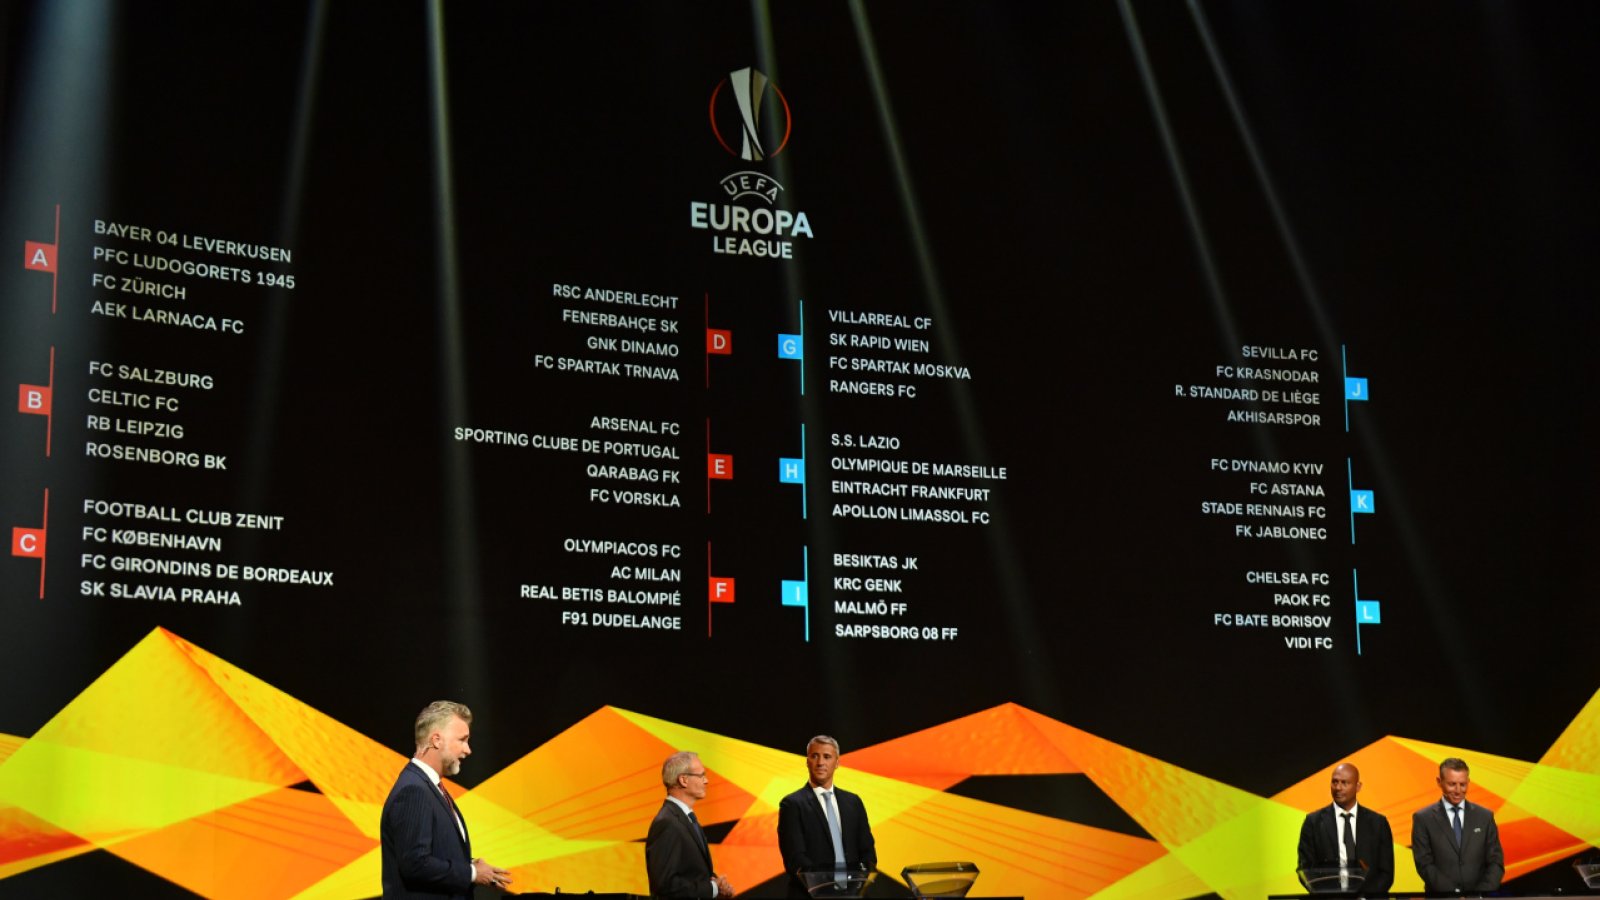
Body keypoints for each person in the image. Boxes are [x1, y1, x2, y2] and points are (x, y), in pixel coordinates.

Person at [380, 701, 512, 898]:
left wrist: (468, 865)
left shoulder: (428, 787)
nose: (468, 750)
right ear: (436, 740)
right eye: (462, 740)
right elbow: (415, 865)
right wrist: (472, 873)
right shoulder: (413, 790)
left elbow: (433, 854)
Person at [777, 735, 877, 898]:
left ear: (837, 763)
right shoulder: (792, 804)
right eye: (814, 756)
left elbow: (867, 852)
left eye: (827, 757)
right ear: (807, 761)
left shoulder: (853, 802)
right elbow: (795, 858)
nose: (820, 762)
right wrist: (827, 887)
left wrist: (855, 886)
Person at [646, 751, 736, 898]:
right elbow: (665, 885)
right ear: (684, 780)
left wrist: (716, 884)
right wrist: (712, 888)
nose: (706, 781)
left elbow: (692, 873)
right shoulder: (667, 823)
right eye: (701, 775)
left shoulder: (686, 819)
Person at [1295, 762, 1394, 894]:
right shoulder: (1313, 822)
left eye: (1344, 783)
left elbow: (1386, 873)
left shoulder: (1378, 823)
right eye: (1334, 782)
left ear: (1358, 787)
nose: (1338, 788)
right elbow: (1305, 868)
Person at [1411, 757, 1504, 894]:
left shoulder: (1485, 816)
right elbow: (1424, 864)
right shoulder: (1423, 819)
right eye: (1452, 784)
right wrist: (1454, 894)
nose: (1458, 790)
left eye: (1463, 784)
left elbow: (1496, 862)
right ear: (1439, 782)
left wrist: (1477, 895)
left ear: (1468, 782)